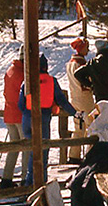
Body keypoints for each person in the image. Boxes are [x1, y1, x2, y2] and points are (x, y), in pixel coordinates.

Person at [18, 54, 76, 186]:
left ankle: (29, 182)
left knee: (31, 151)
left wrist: (27, 113)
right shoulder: (51, 81)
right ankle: (39, 183)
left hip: (27, 118)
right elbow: (62, 100)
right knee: (42, 152)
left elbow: (20, 104)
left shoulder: (27, 81)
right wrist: (74, 113)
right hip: (43, 117)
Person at [0, 49, 27, 190]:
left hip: (9, 113)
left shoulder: (11, 70)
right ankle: (25, 179)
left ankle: (6, 178)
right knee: (26, 148)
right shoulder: (23, 74)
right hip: (20, 114)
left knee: (14, 147)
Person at [66, 38, 95, 163]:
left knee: (78, 128)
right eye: (86, 47)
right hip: (85, 98)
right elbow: (86, 82)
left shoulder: (70, 63)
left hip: (74, 98)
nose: (87, 50)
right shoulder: (81, 64)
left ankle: (74, 155)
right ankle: (91, 154)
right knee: (91, 126)